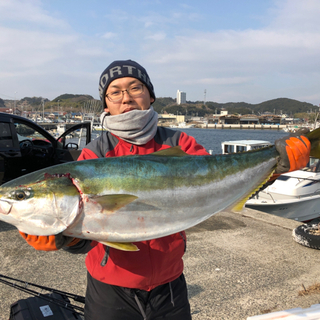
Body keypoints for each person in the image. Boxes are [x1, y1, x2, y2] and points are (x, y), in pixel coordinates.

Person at [19, 60, 311, 320]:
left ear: (151, 95)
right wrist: (63, 237)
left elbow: (217, 186)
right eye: (115, 92)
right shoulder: (94, 154)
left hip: (169, 284)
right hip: (109, 288)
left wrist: (275, 166)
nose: (126, 97)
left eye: (135, 87)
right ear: (105, 104)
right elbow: (89, 234)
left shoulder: (179, 143)